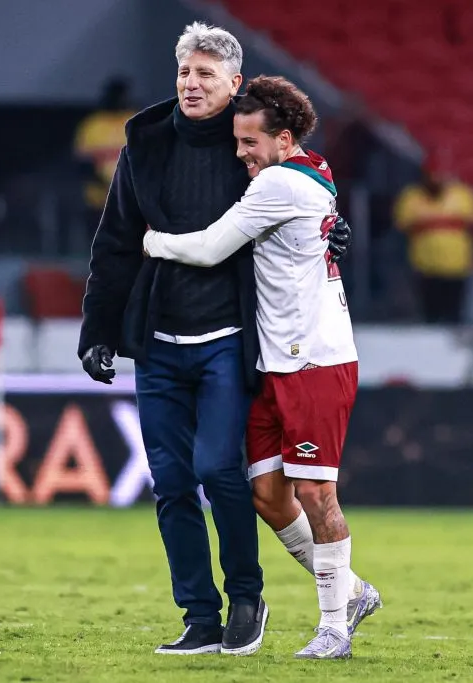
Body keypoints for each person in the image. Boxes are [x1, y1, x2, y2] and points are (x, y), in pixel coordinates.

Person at [78, 22, 350, 656]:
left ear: (235, 82)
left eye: (205, 74)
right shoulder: (143, 139)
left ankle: (247, 597)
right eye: (183, 72)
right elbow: (115, 239)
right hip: (157, 338)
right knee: (171, 482)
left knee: (220, 472)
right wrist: (99, 327)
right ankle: (198, 615)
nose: (190, 84)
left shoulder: (250, 142)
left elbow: (306, 189)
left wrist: (339, 230)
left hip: (231, 334)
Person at [142, 75, 378, 660]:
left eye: (250, 142)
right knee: (268, 495)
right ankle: (350, 590)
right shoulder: (310, 167)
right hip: (274, 361)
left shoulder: (279, 182)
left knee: (316, 493)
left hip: (315, 359)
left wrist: (150, 242)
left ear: (285, 138)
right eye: (238, 141)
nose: (241, 153)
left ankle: (333, 628)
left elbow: (208, 248)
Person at [391, 150, 473, 323]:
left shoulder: (462, 195)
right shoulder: (411, 197)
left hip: (457, 266)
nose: (436, 180)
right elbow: (401, 227)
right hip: (425, 267)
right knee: (430, 315)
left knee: (454, 314)